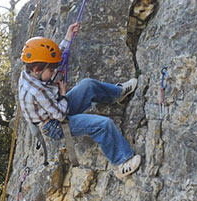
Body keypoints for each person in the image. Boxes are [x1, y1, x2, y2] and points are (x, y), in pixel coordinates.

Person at [18, 22, 141, 179]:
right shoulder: (37, 91)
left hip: (56, 108)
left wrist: (68, 36)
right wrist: (63, 92)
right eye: (51, 70)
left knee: (87, 84)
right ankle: (122, 162)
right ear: (37, 70)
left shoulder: (32, 70)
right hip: (54, 124)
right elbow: (62, 115)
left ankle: (118, 94)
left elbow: (53, 59)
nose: (55, 71)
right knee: (103, 125)